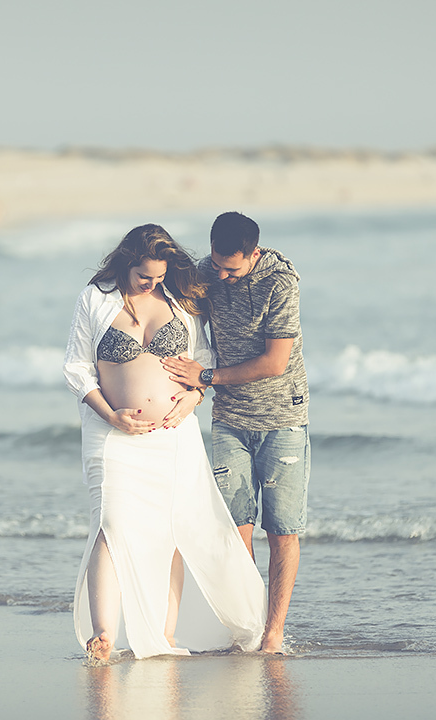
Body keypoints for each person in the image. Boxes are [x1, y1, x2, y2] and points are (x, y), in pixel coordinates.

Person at [63, 223, 266, 662]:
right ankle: (103, 634)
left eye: (158, 275)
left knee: (173, 530)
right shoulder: (95, 299)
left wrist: (192, 399)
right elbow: (77, 369)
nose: (152, 283)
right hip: (113, 433)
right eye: (144, 277)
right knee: (112, 524)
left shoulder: (181, 299)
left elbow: (203, 361)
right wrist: (110, 414)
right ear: (125, 263)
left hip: (174, 435)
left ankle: (165, 634)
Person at [163, 211, 310, 654]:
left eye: (233, 268)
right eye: (218, 265)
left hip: (281, 419)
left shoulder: (279, 283)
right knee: (236, 530)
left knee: (282, 530)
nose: (222, 277)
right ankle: (248, 627)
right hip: (229, 420)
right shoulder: (208, 273)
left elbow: (274, 363)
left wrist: (205, 377)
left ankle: (273, 632)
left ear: (254, 254)